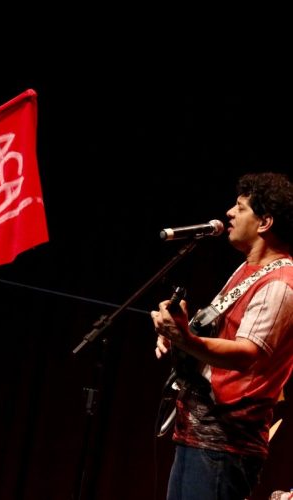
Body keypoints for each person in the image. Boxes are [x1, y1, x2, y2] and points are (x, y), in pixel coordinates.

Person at [151, 171, 293, 500]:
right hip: (197, 433)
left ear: (264, 223)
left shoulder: (280, 284)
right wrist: (178, 333)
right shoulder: (247, 270)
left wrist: (187, 339)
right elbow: (215, 333)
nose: (229, 213)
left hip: (225, 445)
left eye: (240, 208)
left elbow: (246, 354)